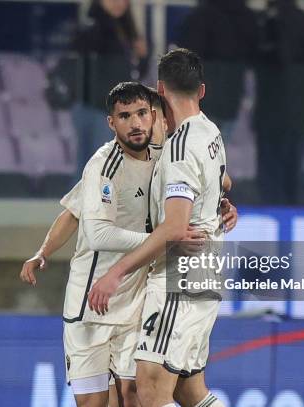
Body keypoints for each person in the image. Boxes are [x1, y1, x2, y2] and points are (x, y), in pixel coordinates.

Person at [20, 84, 237, 406]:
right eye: (124, 116)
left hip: (136, 296)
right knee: (94, 402)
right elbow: (91, 229)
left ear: (153, 116)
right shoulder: (103, 167)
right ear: (112, 123)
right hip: (92, 301)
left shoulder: (165, 154)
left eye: (141, 114)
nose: (135, 123)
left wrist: (218, 204)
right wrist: (168, 239)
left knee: (135, 394)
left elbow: (218, 178)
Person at [89, 49, 227, 407]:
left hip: (179, 277)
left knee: (149, 388)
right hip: (205, 271)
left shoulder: (179, 147)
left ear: (160, 89)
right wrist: (219, 206)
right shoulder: (209, 130)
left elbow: (175, 228)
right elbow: (222, 180)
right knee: (189, 391)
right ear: (202, 90)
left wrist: (116, 272)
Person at [48, 0, 149, 178]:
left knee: (102, 168)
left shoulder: (125, 30)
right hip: (95, 107)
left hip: (113, 109)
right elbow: (81, 65)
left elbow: (132, 73)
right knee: (95, 169)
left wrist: (142, 58)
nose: (119, 3)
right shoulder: (93, 28)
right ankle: (83, 206)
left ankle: (91, 205)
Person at [252, 0, 304, 205]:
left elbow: (255, 62)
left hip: (270, 109)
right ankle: (293, 215)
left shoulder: (265, 21)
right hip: (298, 109)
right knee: (295, 167)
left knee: (270, 169)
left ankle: (273, 215)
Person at [176, 0, 258, 143]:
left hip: (200, 93)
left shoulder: (201, 14)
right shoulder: (247, 17)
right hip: (232, 92)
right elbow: (253, 54)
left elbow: (186, 49)